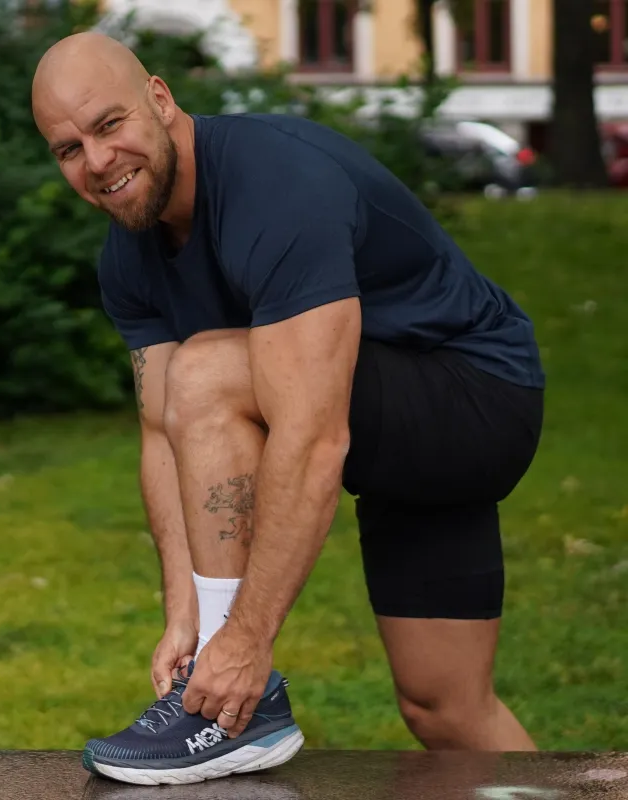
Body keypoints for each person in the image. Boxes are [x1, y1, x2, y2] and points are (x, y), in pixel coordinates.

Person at [30, 31, 546, 786]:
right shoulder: (129, 256)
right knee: (447, 708)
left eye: (110, 125)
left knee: (208, 371)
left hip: (475, 396)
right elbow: (165, 435)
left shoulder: (274, 186)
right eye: (69, 149)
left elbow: (312, 439)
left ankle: (234, 712)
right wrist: (183, 614)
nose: (99, 160)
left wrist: (240, 646)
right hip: (400, 437)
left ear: (161, 100)